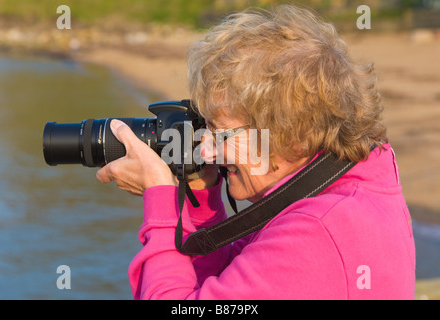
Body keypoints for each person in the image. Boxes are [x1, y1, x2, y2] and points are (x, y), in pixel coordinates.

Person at [96, 5, 415, 299]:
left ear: (293, 136)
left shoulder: (318, 232)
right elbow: (231, 285)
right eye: (208, 131)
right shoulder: (345, 192)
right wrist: (201, 198)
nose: (207, 150)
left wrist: (161, 201)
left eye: (223, 134)